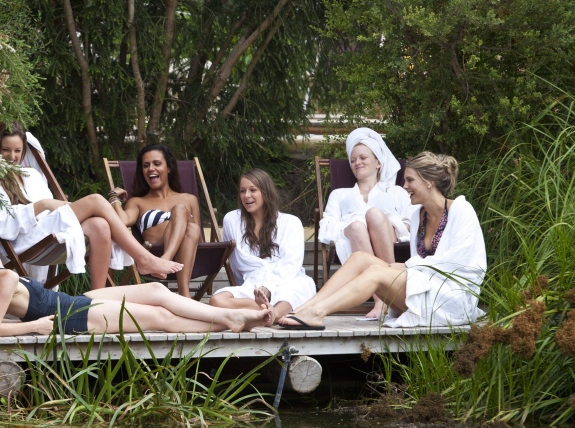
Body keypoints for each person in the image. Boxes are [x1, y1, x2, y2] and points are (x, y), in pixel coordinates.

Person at [279, 152, 486, 329]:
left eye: (410, 180)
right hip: (423, 289)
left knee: (377, 272)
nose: (404, 186)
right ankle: (302, 309)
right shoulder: (417, 216)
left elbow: (458, 262)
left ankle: (317, 312)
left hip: (451, 298)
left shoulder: (460, 210)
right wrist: (408, 268)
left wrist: (407, 265)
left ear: (429, 181)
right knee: (360, 258)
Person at [0, 232, 271, 336]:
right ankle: (229, 321)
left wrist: (32, 320)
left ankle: (226, 318)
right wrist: (36, 327)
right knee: (159, 318)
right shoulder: (5, 277)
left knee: (156, 291)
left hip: (72, 303)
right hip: (73, 318)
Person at [0, 122, 182, 288]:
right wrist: (43, 204)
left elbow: (54, 212)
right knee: (95, 200)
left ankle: (98, 298)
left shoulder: (30, 174)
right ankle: (143, 258)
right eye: (6, 150)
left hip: (47, 232)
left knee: (100, 226)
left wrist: (52, 206)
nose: (12, 156)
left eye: (18, 150)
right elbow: (2, 223)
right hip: (24, 240)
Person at [318, 128, 414, 318]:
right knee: (356, 226)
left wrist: (384, 224)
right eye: (353, 160)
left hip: (389, 235)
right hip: (354, 238)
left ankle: (390, 289)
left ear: (378, 162)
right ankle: (382, 301)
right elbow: (327, 225)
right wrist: (357, 226)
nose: (357, 163)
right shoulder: (340, 195)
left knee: (375, 215)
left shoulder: (396, 192)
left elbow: (411, 221)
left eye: (363, 158)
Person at [208, 169, 316, 325]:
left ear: (266, 192)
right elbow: (236, 263)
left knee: (300, 288)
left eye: (253, 190)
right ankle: (269, 311)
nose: (246, 196)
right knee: (217, 301)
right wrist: (255, 290)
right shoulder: (232, 220)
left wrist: (269, 287)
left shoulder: (291, 222)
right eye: (242, 191)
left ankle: (274, 312)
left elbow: (291, 265)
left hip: (288, 280)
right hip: (253, 284)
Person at [109, 144, 200, 296]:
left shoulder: (189, 199)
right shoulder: (137, 202)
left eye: (157, 163)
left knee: (186, 218)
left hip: (185, 256)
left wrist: (183, 216)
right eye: (146, 165)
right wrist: (113, 197)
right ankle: (184, 293)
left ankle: (167, 264)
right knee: (182, 212)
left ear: (169, 168)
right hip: (154, 254)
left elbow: (198, 238)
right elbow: (123, 221)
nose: (151, 168)